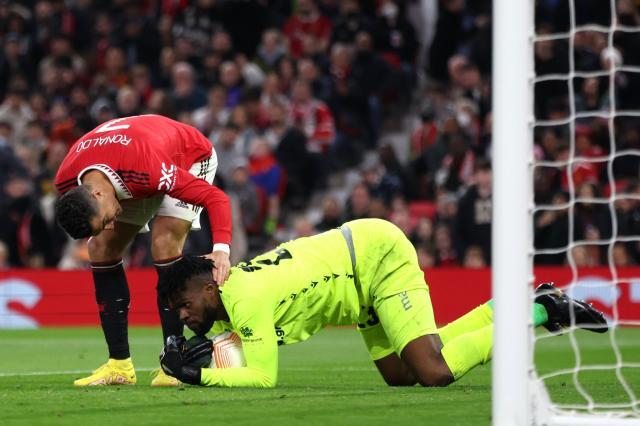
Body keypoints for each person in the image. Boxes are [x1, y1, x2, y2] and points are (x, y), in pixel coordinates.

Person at [157, 219, 607, 387]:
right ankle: (510, 306)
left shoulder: (246, 297)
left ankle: (542, 312)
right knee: (401, 375)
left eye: (184, 304)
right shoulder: (226, 300)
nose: (183, 315)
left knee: (433, 372)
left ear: (210, 289)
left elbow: (261, 377)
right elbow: (228, 355)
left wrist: (196, 376)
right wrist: (183, 361)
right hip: (356, 288)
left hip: (374, 257)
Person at [54, 114, 233, 387]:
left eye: (105, 219)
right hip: (129, 169)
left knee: (164, 241)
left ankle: (172, 363)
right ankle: (119, 366)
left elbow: (216, 197)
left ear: (98, 195)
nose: (111, 224)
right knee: (100, 246)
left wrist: (221, 249)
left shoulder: (147, 168)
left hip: (187, 156)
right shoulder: (66, 182)